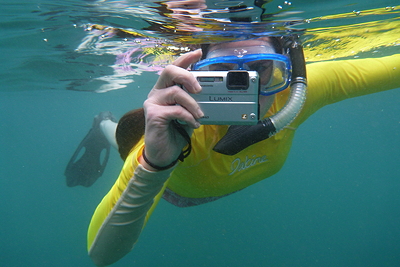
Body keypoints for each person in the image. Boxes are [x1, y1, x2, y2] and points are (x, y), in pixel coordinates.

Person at [67, 32, 399, 265]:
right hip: (174, 190)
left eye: (261, 69)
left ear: (286, 64)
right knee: (127, 144)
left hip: (207, 183)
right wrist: (154, 164)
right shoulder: (183, 130)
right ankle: (103, 125)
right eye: (223, 73)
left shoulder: (299, 93)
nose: (246, 91)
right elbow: (101, 255)